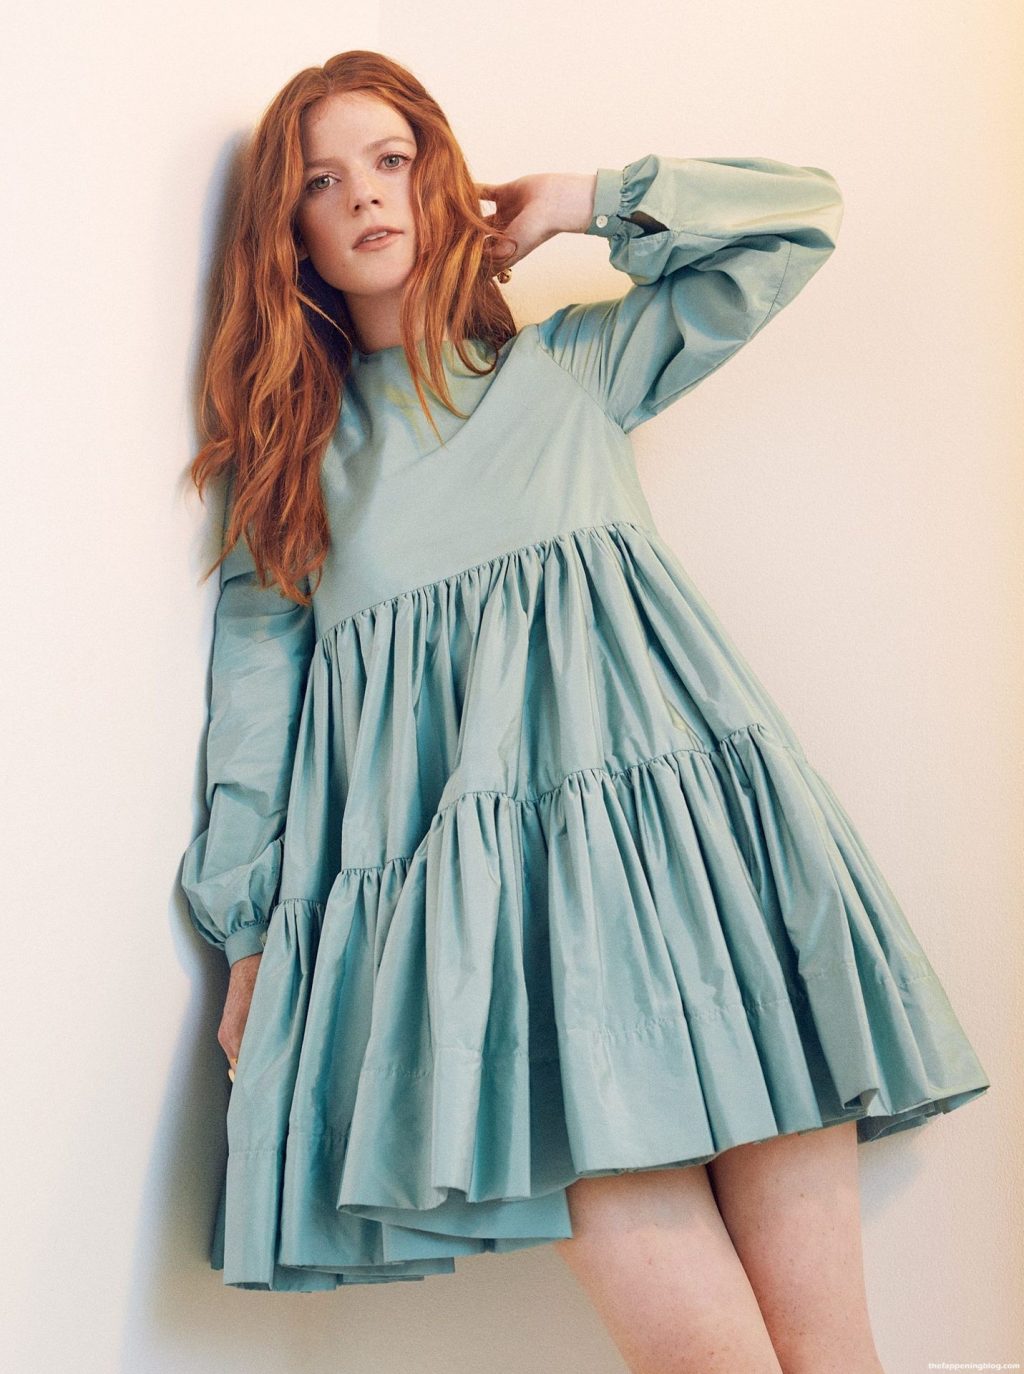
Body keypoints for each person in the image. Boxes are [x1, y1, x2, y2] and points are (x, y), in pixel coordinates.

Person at [180, 48, 990, 1373]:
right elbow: (254, 720)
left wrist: (585, 199)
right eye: (322, 182)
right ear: (292, 235)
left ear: (437, 179)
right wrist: (252, 930)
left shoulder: (569, 368)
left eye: (391, 160)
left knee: (836, 1353)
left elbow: (796, 224)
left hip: (709, 875)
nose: (366, 196)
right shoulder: (297, 471)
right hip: (519, 947)